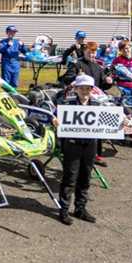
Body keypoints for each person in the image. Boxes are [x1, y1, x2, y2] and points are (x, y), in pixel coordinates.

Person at [56, 74, 99, 226]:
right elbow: (56, 117)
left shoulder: (97, 106)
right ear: (76, 89)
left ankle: (80, 209)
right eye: (82, 88)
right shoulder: (67, 104)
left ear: (92, 90)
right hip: (72, 145)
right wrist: (55, 120)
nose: (85, 91)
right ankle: (64, 210)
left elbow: (109, 123)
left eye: (88, 88)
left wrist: (121, 123)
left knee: (85, 177)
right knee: (70, 178)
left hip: (90, 145)